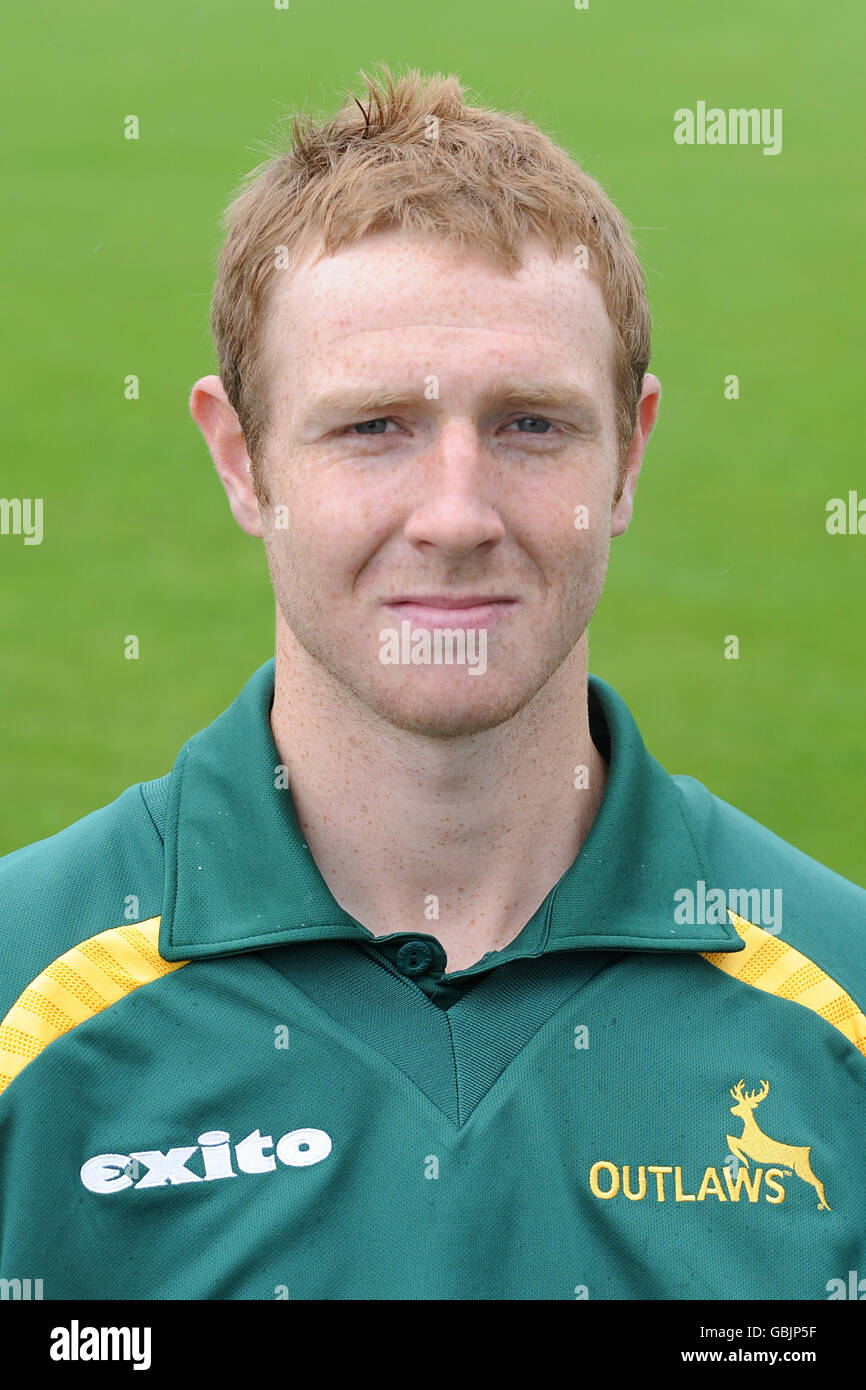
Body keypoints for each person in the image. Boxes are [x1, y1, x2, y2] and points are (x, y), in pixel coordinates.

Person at [1, 65, 863, 1301]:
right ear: (241, 460)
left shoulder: (839, 1008)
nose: (454, 516)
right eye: (372, 429)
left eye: (529, 426)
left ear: (629, 456)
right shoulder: (24, 1003)